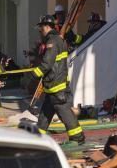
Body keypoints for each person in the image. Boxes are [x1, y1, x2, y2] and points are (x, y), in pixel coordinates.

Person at [32, 15, 85, 145]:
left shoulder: (52, 41)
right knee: (45, 114)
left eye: (41, 28)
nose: (40, 31)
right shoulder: (57, 39)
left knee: (64, 112)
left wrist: (35, 73)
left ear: (47, 26)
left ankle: (77, 137)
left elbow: (47, 63)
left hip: (56, 86)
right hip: (53, 85)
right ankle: (37, 138)